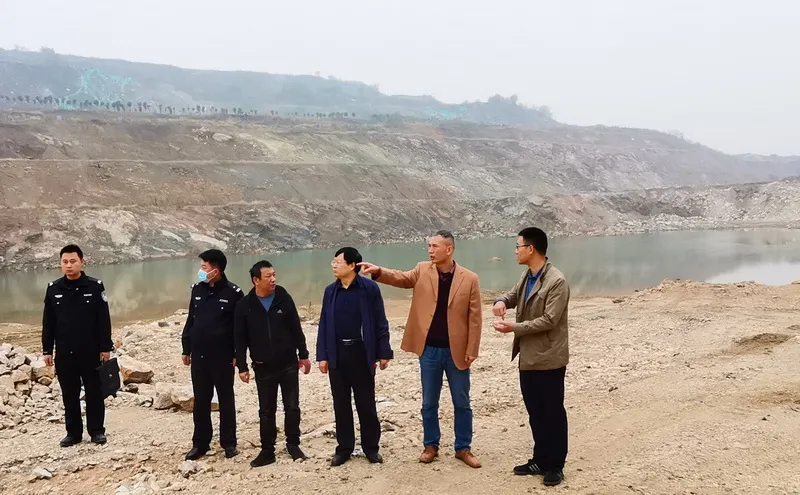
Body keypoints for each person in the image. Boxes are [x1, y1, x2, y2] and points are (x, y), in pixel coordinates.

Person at [359, 230, 483, 468]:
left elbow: (475, 318)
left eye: (435, 246)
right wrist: (378, 271)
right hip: (429, 350)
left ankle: (463, 448)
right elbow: (401, 278)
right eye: (429, 246)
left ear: (449, 249)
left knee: (462, 402)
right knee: (428, 402)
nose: (430, 250)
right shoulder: (422, 269)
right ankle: (430, 446)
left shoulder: (470, 278)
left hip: (457, 350)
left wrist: (472, 348)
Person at [492, 227, 570, 487]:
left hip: (549, 357)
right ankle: (540, 459)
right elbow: (514, 295)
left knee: (552, 412)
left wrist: (514, 327)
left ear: (531, 249)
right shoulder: (528, 275)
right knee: (535, 411)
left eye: (518, 246)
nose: (515, 251)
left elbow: (549, 320)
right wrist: (501, 301)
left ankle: (556, 465)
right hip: (528, 357)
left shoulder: (556, 281)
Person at [317, 247, 393, 467]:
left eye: (337, 262)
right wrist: (322, 355)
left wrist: (383, 352)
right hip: (338, 353)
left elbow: (380, 320)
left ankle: (371, 448)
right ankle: (344, 448)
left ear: (352, 265)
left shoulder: (369, 289)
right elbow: (323, 324)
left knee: (366, 403)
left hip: (362, 353)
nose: (333, 265)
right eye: (333, 261)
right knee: (340, 404)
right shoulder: (330, 291)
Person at [234, 260, 312, 467]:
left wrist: (303, 354)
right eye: (268, 276)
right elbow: (240, 338)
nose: (273, 279)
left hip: (288, 363)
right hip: (263, 366)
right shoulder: (244, 305)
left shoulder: (283, 298)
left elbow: (295, 328)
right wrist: (242, 366)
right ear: (256, 280)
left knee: (292, 406)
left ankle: (293, 445)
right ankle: (267, 450)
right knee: (266, 410)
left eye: (274, 275)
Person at [41, 244, 113, 447]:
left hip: (90, 351)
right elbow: (48, 322)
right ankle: (73, 433)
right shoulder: (54, 289)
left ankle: (97, 431)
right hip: (65, 352)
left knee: (94, 392)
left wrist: (105, 347)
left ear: (82, 262)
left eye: (73, 261)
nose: (69, 265)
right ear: (60, 264)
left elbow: (103, 320)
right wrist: (47, 349)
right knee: (69, 393)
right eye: (65, 262)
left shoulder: (95, 287)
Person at [181, 249, 243, 460]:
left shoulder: (234, 293)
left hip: (223, 357)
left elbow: (239, 328)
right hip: (199, 355)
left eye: (204, 267)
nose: (200, 271)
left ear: (216, 271)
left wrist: (237, 354)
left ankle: (229, 443)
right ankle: (200, 443)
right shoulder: (197, 290)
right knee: (201, 400)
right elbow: (191, 320)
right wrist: (186, 347)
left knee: (226, 399)